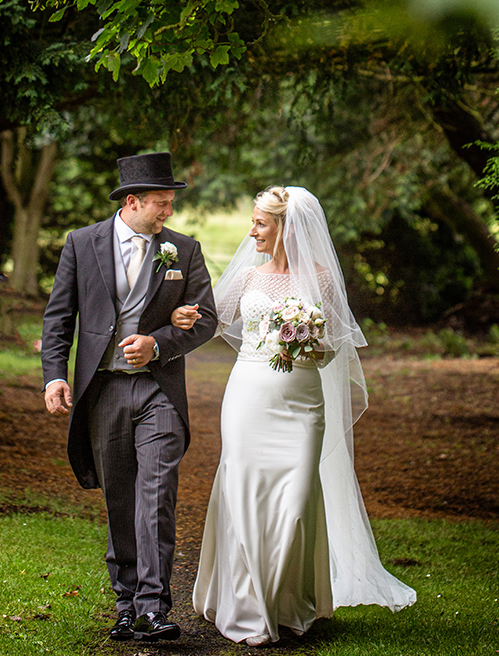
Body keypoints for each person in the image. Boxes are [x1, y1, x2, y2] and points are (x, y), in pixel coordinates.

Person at [171, 185, 416, 647]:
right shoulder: (247, 278)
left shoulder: (321, 279)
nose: (252, 231)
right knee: (245, 490)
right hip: (247, 399)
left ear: (285, 226)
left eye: (260, 223)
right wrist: (181, 317)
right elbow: (209, 321)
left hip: (302, 402)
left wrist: (305, 340)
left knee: (298, 495)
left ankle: (289, 601)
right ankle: (247, 602)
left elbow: (333, 349)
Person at [41, 151, 217, 643]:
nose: (169, 213)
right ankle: (125, 605)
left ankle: (155, 607)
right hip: (104, 392)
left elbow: (205, 318)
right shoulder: (82, 244)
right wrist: (54, 376)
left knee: (156, 494)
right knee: (119, 498)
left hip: (159, 390)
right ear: (132, 201)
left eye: (171, 204)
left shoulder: (183, 249)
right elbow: (58, 319)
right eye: (161, 203)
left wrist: (159, 342)